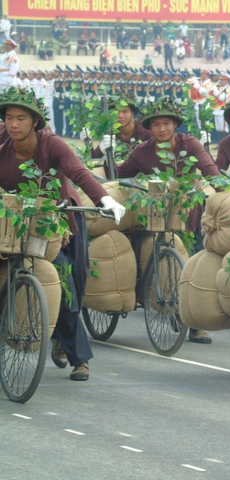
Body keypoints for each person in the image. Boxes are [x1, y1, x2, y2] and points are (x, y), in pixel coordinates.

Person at [0, 87, 126, 380]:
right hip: (12, 219)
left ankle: (77, 356)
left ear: (35, 122)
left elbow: (78, 171)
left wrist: (103, 199)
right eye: (9, 118)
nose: (14, 124)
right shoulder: (2, 142)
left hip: (58, 220)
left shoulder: (51, 144)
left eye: (21, 118)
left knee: (66, 279)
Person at [117, 97, 220, 345]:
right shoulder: (142, 152)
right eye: (156, 125)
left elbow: (210, 170)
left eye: (167, 123)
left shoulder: (190, 144)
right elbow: (122, 177)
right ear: (149, 128)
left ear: (175, 124)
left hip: (189, 214)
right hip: (154, 214)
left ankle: (194, 324)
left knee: (195, 262)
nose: (162, 129)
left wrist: (226, 192)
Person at [81, 95, 152, 160]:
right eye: (116, 112)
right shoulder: (111, 132)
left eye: (125, 112)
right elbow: (95, 159)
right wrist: (88, 143)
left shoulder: (145, 130)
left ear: (132, 113)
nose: (120, 116)